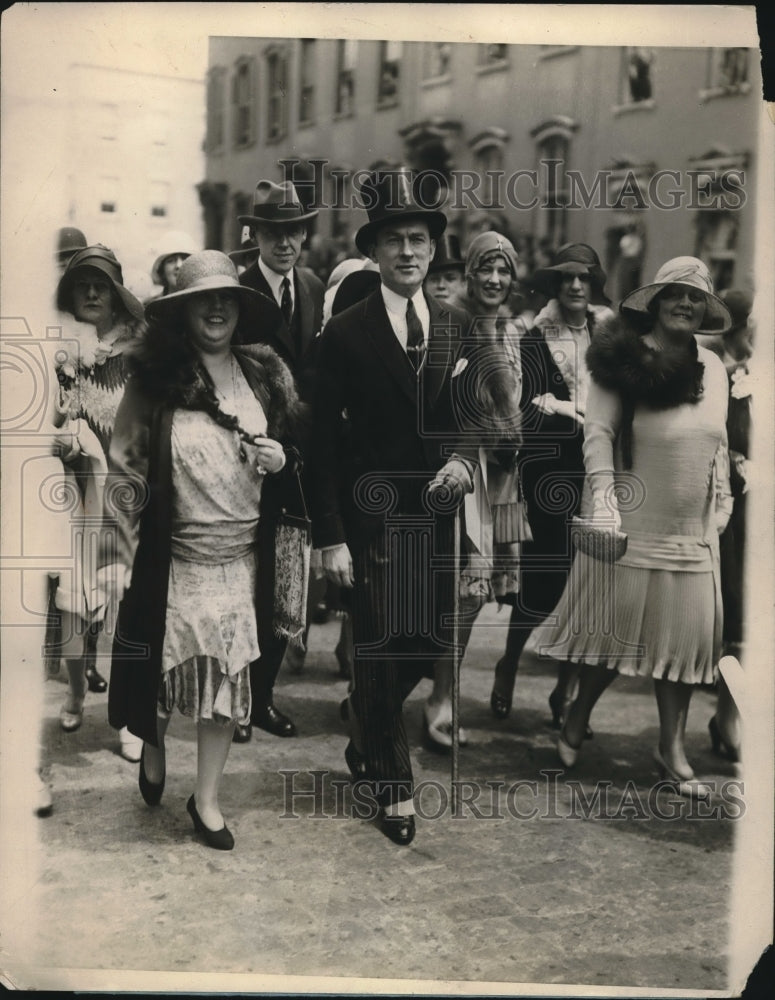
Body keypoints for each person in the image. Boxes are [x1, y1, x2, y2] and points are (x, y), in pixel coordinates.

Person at [106, 251, 303, 850]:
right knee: (166, 672)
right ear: (184, 310)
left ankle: (207, 800)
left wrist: (282, 458)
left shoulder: (265, 376)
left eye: (227, 299)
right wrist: (121, 549)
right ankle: (153, 743)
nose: (217, 309)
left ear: (240, 310)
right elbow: (124, 466)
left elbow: (294, 456)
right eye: (203, 300)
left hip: (242, 559)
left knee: (228, 683)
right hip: (175, 557)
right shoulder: (155, 379)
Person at [310, 169, 472, 845]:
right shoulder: (345, 333)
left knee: (427, 641)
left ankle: (364, 727)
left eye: (418, 240)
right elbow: (318, 442)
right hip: (370, 518)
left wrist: (462, 458)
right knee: (378, 648)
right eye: (394, 240)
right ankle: (393, 785)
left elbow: (467, 415)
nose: (407, 251)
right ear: (373, 251)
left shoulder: (457, 327)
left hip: (436, 522)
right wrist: (330, 537)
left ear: (432, 250)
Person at [532, 256, 733, 798]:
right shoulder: (623, 359)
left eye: (695, 297)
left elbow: (718, 444)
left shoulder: (714, 368)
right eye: (675, 294)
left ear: (705, 308)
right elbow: (597, 433)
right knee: (617, 637)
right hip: (632, 519)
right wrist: (603, 500)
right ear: (656, 301)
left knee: (682, 642)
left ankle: (671, 750)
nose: (685, 303)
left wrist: (723, 501)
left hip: (692, 528)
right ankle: (576, 718)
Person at [489, 243, 615, 730]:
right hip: (551, 473)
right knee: (544, 582)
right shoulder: (534, 337)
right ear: (556, 285)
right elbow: (524, 411)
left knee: (589, 586)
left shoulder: (609, 334)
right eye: (567, 278)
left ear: (594, 283)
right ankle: (508, 663)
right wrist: (568, 413)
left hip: (600, 471)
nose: (576, 286)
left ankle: (565, 690)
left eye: (584, 277)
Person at [423, 231, 524, 751]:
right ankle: (437, 698)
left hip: (500, 476)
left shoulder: (510, 330)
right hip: (463, 473)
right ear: (469, 273)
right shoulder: (451, 324)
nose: (494, 279)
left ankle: (440, 691)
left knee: (474, 595)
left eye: (504, 270)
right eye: (486, 268)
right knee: (460, 591)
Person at [233, 179, 325, 741]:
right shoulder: (238, 291)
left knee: (281, 582)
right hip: (246, 458)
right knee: (243, 583)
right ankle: (235, 702)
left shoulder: (312, 287)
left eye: (294, 231)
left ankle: (261, 697)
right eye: (274, 232)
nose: (285, 242)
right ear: (257, 235)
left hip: (297, 463)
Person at [48, 244, 146, 762]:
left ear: (117, 294)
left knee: (127, 609)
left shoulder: (140, 352)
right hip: (75, 496)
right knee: (73, 606)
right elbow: (37, 424)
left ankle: (128, 717)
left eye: (101, 285)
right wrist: (60, 437)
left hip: (128, 497)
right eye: (82, 285)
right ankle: (75, 691)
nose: (91, 293)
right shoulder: (57, 350)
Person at [705, 288, 753, 762]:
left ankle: (734, 715)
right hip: (739, 514)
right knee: (740, 618)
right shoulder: (725, 375)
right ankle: (727, 716)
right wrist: (736, 459)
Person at [423, 233, 467, 310]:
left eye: (450, 279)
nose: (441, 286)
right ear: (424, 285)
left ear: (463, 282)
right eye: (434, 279)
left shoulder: (474, 316)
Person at [149, 231, 198, 298]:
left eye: (184, 259)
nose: (178, 265)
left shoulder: (203, 301)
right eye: (171, 261)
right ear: (162, 270)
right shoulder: (152, 303)